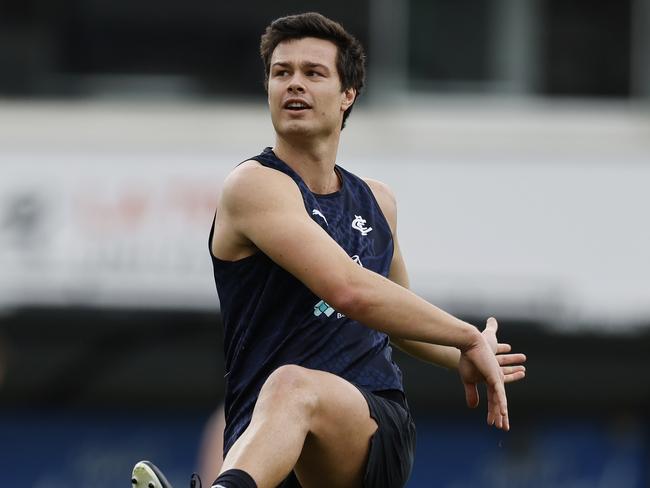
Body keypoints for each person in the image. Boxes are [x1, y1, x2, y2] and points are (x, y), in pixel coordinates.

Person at [131, 11, 526, 488]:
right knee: (286, 392)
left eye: (313, 73)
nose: (294, 84)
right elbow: (348, 290)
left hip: (369, 427)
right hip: (261, 448)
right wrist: (463, 340)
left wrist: (458, 349)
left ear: (347, 96)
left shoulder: (378, 202)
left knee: (293, 384)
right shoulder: (254, 186)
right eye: (282, 73)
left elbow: (384, 312)